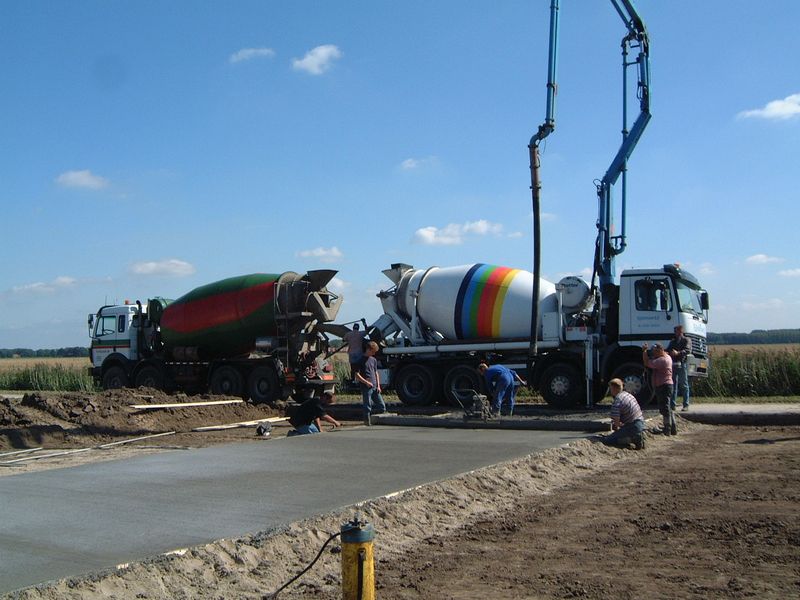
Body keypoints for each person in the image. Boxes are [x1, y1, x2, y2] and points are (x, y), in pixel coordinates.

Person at [602, 378, 646, 450]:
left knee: (608, 440)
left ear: (613, 388)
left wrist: (616, 431)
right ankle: (637, 435)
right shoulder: (627, 394)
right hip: (640, 422)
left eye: (610, 388)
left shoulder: (617, 401)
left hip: (633, 426)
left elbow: (616, 423)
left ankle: (634, 439)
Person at [642, 342, 675, 435]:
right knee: (667, 407)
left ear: (660, 351)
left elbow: (647, 363)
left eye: (655, 352)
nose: (654, 354)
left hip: (663, 386)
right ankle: (672, 427)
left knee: (665, 408)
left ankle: (667, 428)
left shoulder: (662, 361)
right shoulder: (667, 357)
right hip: (666, 385)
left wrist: (644, 351)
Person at [356, 341, 387, 425]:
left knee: (382, 406)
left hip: (375, 386)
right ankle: (367, 421)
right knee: (367, 406)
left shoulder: (373, 360)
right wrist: (366, 382)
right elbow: (357, 375)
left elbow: (376, 372)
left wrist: (378, 385)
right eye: (373, 352)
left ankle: (375, 418)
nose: (374, 354)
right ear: (368, 349)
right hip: (366, 386)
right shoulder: (360, 360)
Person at [667, 325, 692, 411]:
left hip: (682, 364)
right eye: (675, 331)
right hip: (673, 364)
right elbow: (668, 349)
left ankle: (686, 404)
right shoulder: (673, 341)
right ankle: (672, 405)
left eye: (676, 331)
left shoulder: (686, 340)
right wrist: (667, 352)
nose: (675, 333)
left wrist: (678, 353)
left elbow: (688, 350)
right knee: (673, 385)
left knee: (684, 384)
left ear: (681, 331)